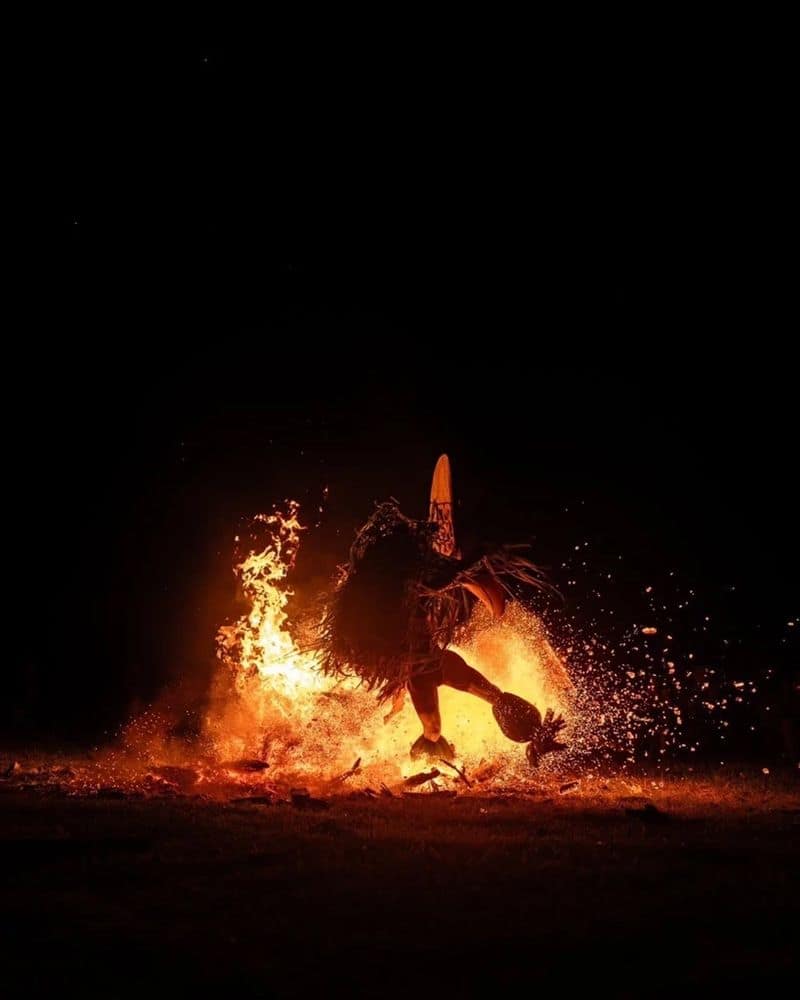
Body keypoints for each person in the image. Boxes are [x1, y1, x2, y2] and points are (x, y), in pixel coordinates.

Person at [319, 497, 566, 767]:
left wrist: (471, 563)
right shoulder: (390, 589)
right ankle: (423, 766)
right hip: (416, 672)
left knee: (496, 696)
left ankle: (534, 735)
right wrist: (472, 561)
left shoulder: (422, 573)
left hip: (438, 661)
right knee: (433, 731)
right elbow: (456, 576)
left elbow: (461, 576)